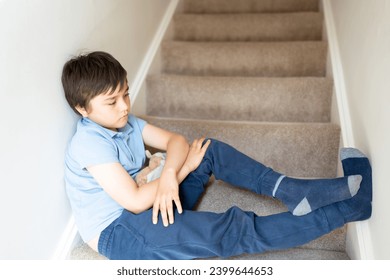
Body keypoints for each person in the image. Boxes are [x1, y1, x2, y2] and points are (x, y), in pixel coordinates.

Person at [62, 51, 372, 260]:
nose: (125, 107)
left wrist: (169, 174)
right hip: (122, 231)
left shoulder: (125, 122)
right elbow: (134, 201)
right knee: (229, 230)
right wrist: (179, 173)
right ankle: (347, 210)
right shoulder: (88, 142)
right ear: (82, 109)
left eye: (126, 93)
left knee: (206, 148)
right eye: (112, 101)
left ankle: (291, 190)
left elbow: (176, 141)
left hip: (155, 197)